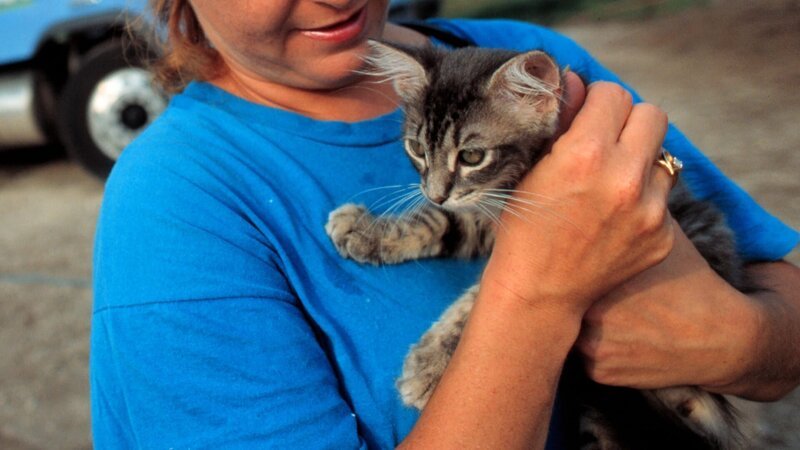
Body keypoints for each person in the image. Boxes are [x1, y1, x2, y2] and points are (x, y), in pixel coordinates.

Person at [90, 0, 800, 448]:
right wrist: (539, 295)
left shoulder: (529, 59)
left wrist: (744, 344)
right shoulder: (175, 201)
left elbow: (783, 296)